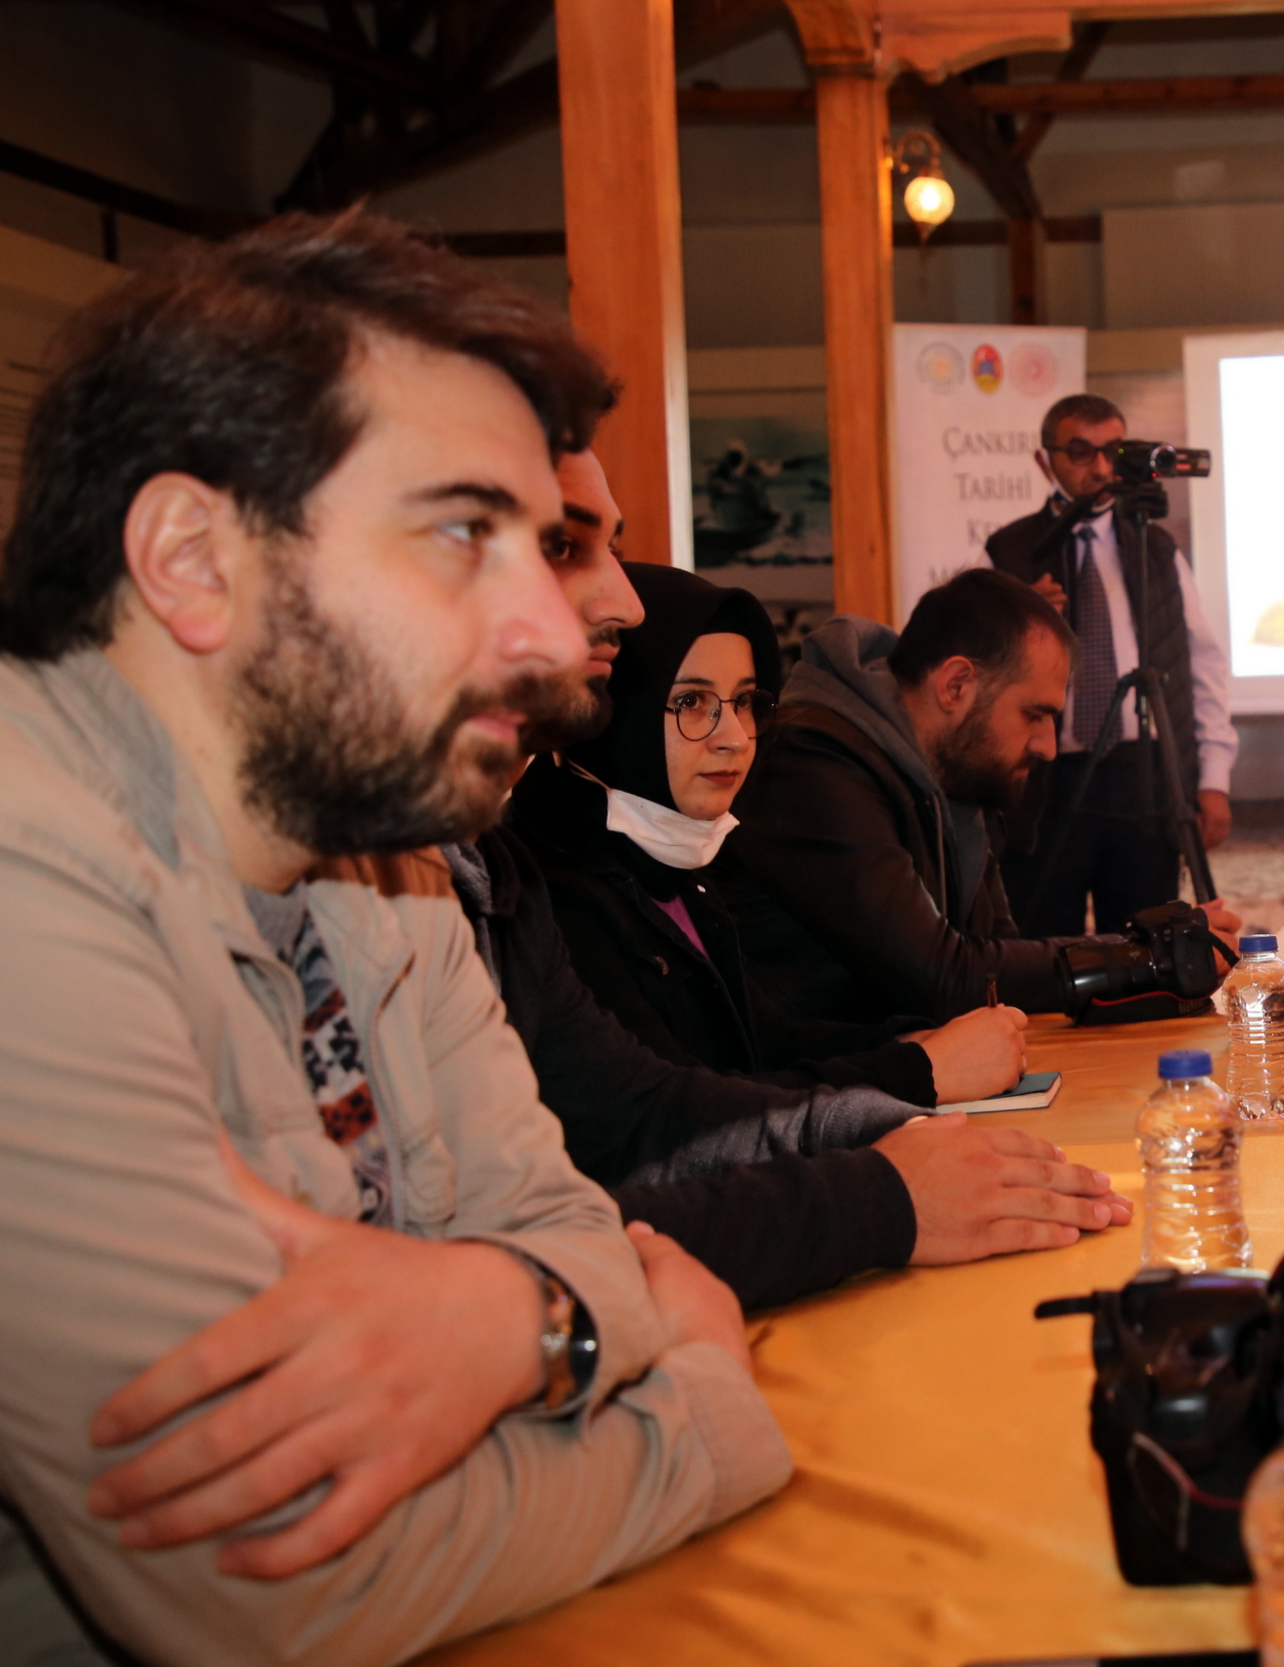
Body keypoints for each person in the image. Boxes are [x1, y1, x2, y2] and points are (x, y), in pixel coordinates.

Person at [0, 212, 785, 1665]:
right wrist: (699, 1398)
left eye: (546, 547)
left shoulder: (378, 846)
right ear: (192, 558)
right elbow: (281, 1576)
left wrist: (515, 1309)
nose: (558, 638)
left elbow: (568, 1223)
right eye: (465, 535)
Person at [442, 451, 1123, 1309]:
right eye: (565, 547)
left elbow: (665, 1101)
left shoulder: (524, 869)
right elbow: (580, 1194)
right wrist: (900, 1135)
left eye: (743, 703)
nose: (733, 737)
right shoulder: (564, 867)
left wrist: (904, 1113)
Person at [507, 556, 1025, 1103]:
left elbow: (763, 1042)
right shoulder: (552, 890)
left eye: (744, 702)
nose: (735, 737)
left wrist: (914, 1043)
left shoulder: (678, 870)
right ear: (615, 708)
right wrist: (920, 1070)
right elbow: (671, 1113)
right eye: (691, 702)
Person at [719, 567, 1241, 1027]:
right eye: (1034, 715)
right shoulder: (812, 763)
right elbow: (942, 977)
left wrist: (1157, 960)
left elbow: (1001, 959)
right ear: (955, 685)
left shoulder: (955, 771)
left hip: (903, 1069)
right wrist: (1148, 956)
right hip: (815, 1090)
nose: (1048, 747)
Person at [985, 393, 1239, 936]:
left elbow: (1203, 664)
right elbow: (975, 668)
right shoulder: (1008, 551)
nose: (1100, 467)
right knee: (1041, 937)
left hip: (1143, 776)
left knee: (1151, 941)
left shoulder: (1158, 548)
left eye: (1114, 451)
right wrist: (1017, 617)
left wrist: (1213, 778)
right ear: (1045, 460)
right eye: (1081, 452)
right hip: (1044, 780)